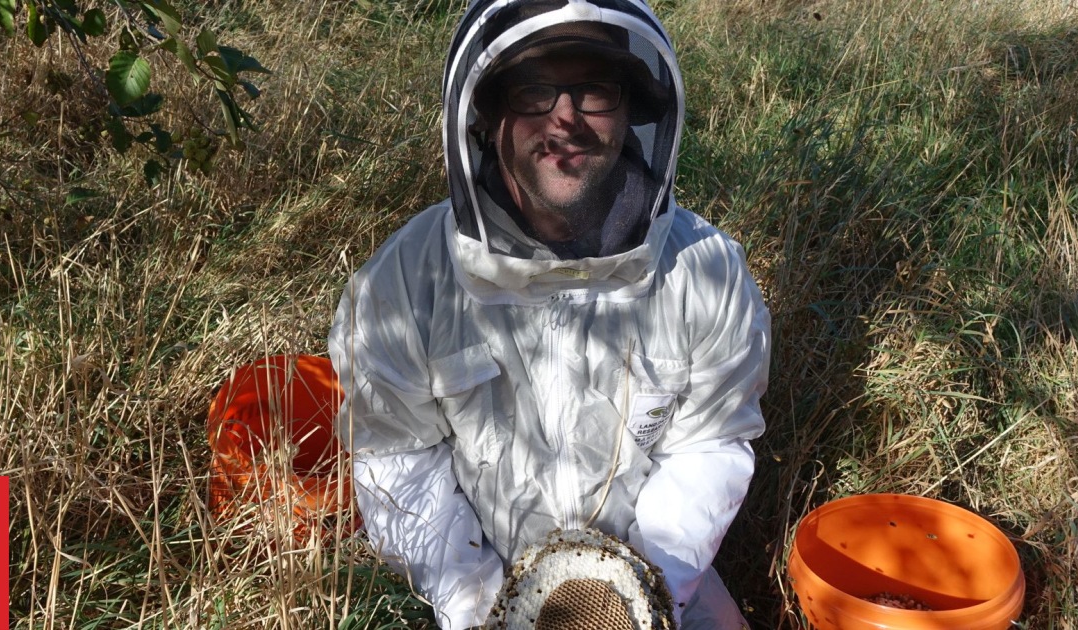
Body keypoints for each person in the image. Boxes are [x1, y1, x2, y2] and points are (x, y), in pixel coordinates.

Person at [328, 1, 770, 628]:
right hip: (480, 576)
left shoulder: (706, 270)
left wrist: (642, 590)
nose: (566, 119)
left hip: (661, 575)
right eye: (535, 90)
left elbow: (709, 445)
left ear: (629, 112)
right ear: (486, 114)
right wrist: (480, 604)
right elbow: (397, 458)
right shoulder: (405, 279)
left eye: (594, 91)